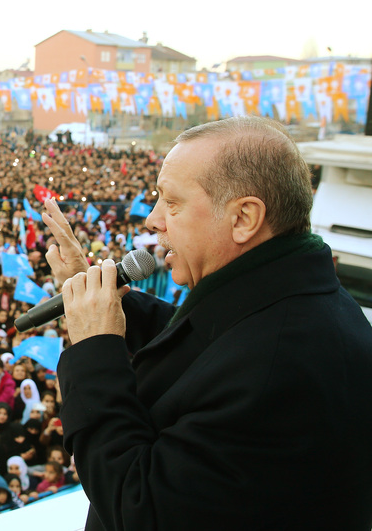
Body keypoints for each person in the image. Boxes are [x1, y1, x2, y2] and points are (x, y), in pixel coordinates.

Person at [43, 116, 372, 530]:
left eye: (173, 203)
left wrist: (95, 349)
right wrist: (103, 299)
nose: (153, 220)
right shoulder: (286, 298)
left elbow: (139, 507)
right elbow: (212, 343)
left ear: (243, 218)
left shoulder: (280, 367)